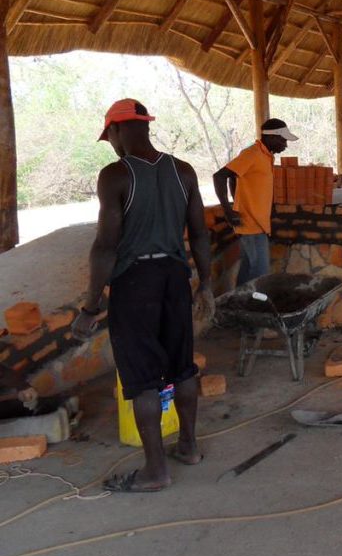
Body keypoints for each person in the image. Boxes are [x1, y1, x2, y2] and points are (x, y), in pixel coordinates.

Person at [72, 99, 214, 492]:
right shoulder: (182, 171)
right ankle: (188, 446)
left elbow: (105, 247)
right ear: (145, 126)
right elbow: (200, 234)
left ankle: (155, 470)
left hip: (135, 283)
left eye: (110, 137)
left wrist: (90, 305)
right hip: (175, 277)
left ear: (117, 130)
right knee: (182, 365)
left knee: (142, 379)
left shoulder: (116, 175)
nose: (111, 144)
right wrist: (207, 284)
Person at [213, 118, 298, 285]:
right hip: (251, 224)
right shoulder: (252, 154)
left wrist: (235, 199)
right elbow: (220, 176)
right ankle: (254, 308)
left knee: (248, 269)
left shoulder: (265, 156)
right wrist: (229, 210)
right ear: (272, 137)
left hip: (258, 223)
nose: (285, 145)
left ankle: (237, 304)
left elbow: (235, 176)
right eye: (283, 140)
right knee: (260, 273)